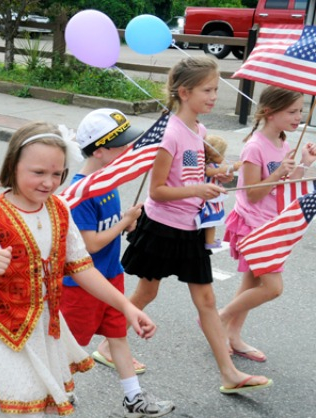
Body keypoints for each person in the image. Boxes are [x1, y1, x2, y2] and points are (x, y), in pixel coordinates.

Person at [0, 121, 157, 417]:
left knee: (42, 404)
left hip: (46, 328)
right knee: (10, 406)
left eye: (57, 174)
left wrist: (126, 306)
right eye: (38, 173)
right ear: (13, 165)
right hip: (4, 329)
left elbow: (82, 267)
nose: (48, 182)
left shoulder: (60, 209)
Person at [120, 55, 273, 394]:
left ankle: (229, 374)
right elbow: (158, 190)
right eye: (208, 90)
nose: (215, 96)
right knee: (146, 292)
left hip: (191, 229)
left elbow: (194, 171)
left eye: (217, 89)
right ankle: (108, 345)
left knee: (206, 301)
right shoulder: (169, 133)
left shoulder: (199, 130)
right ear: (185, 92)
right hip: (162, 228)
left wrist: (219, 173)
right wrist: (196, 189)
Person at [60, 108, 175, 417]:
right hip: (81, 284)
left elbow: (105, 233)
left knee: (118, 336)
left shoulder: (106, 181)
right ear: (100, 150)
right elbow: (90, 243)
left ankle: (133, 396)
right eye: (121, 145)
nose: (129, 150)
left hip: (110, 275)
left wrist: (124, 224)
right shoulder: (82, 192)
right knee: (68, 345)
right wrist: (123, 223)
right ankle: (57, 390)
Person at [219, 85, 316, 363]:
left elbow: (284, 186)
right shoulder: (254, 146)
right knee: (272, 288)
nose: (299, 117)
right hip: (254, 225)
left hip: (270, 223)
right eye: (292, 111)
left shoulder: (283, 143)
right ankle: (218, 320)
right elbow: (250, 192)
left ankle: (232, 335)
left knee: (251, 283)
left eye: (301, 110)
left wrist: (303, 166)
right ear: (270, 112)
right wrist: (276, 173)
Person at [196, 135, 242, 249]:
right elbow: (213, 172)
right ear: (213, 155)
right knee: (210, 221)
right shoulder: (207, 167)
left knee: (213, 222)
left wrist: (227, 174)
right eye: (222, 154)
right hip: (208, 198)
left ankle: (210, 240)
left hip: (213, 197)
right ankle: (209, 242)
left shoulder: (213, 165)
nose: (224, 156)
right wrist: (231, 168)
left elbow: (220, 172)